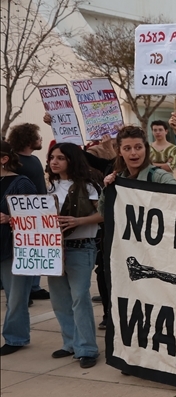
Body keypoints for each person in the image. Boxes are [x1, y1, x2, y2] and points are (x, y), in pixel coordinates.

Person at [45, 143, 105, 368]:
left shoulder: (88, 185)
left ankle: (87, 348)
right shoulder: (50, 187)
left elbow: (104, 213)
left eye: (60, 157)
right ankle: (70, 342)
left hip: (81, 246)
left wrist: (79, 221)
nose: (54, 161)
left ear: (72, 159)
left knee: (80, 298)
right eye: (52, 157)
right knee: (60, 299)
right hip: (53, 249)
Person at [0, 141, 39, 356]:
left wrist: (10, 218)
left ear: (4, 159)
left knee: (15, 296)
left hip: (12, 248)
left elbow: (34, 216)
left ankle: (15, 338)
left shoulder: (21, 183)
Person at [6, 123, 49, 303]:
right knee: (23, 251)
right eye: (38, 136)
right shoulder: (15, 162)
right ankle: (23, 290)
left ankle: (34, 287)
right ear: (28, 139)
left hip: (40, 211)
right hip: (22, 213)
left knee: (37, 248)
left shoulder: (35, 159)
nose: (41, 139)